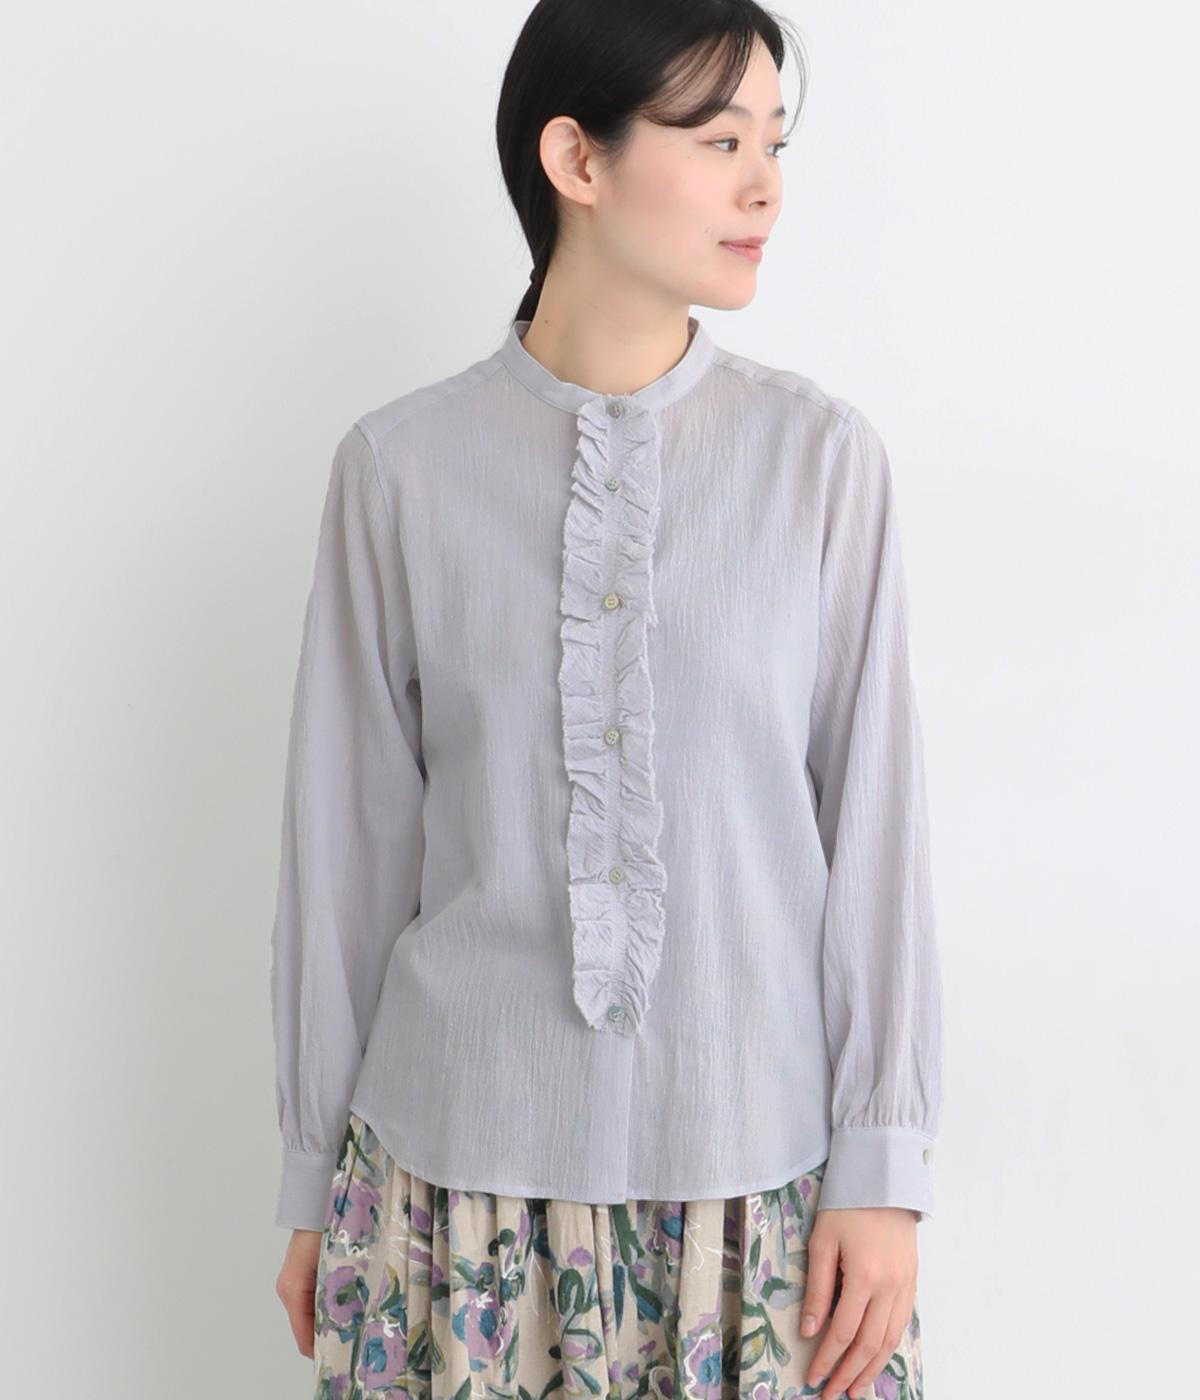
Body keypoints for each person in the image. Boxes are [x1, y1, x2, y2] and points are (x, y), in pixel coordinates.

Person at [271, 2, 945, 1397]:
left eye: (774, 143)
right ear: (577, 159)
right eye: (719, 142)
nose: (765, 187)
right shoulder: (400, 471)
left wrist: (884, 1167)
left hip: (759, 1194)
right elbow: (343, 860)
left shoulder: (821, 466)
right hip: (449, 1197)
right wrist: (306, 1178)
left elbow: (877, 833)